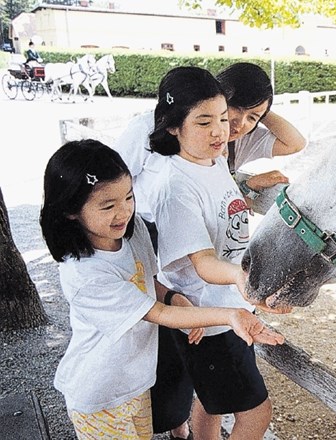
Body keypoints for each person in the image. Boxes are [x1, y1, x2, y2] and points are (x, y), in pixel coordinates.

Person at [39, 139, 284, 440]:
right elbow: (157, 313)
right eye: (108, 205)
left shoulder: (132, 231)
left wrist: (174, 295)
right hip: (100, 393)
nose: (123, 212)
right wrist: (230, 315)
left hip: (136, 381)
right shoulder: (85, 273)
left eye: (128, 197)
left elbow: (147, 285)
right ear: (69, 210)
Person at [112, 62, 305, 439]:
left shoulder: (215, 159)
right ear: (172, 125)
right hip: (209, 315)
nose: (222, 130)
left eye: (222, 117)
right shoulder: (174, 182)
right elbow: (202, 263)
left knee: (209, 401)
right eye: (205, 121)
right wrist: (245, 280)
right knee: (256, 414)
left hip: (228, 306)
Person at [112, 61, 306, 251]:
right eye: (235, 109)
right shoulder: (148, 127)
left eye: (252, 118)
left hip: (205, 237)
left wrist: (262, 106)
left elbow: (295, 143)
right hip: (148, 233)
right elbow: (113, 180)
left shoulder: (239, 139)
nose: (240, 123)